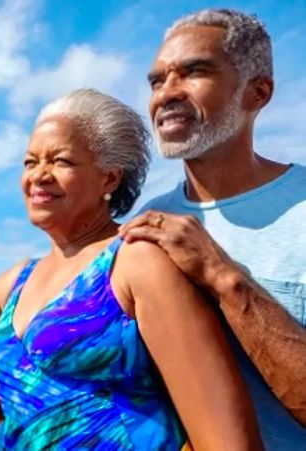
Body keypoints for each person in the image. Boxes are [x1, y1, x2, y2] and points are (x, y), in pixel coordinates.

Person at [0, 89, 262, 450]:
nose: (39, 176)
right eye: (29, 162)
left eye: (62, 161)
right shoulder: (16, 282)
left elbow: (225, 437)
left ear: (109, 179)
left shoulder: (137, 260)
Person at [118, 8, 306, 449]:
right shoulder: (147, 221)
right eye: (157, 80)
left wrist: (223, 277)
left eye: (194, 72)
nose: (166, 94)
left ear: (257, 93)